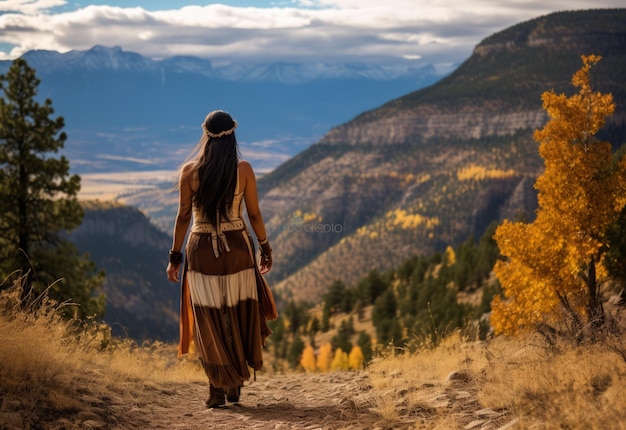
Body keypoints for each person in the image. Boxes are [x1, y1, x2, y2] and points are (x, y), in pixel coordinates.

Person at [166, 110, 275, 408]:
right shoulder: (244, 170)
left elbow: (183, 217)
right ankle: (235, 380)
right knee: (238, 312)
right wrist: (265, 247)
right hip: (238, 249)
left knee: (209, 317)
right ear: (233, 135)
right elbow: (253, 214)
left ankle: (216, 386)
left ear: (206, 136)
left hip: (201, 250)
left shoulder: (189, 171)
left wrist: (175, 257)